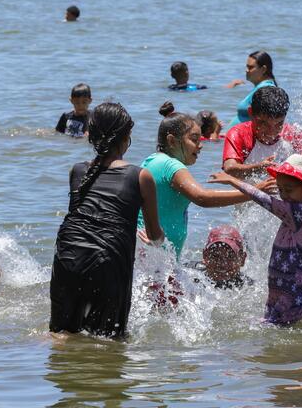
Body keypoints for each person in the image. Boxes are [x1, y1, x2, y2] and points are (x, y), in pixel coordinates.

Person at [50, 102, 164, 338]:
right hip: (109, 260)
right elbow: (154, 235)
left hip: (68, 255)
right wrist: (160, 240)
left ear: (91, 135)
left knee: (61, 335)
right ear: (126, 137)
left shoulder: (77, 170)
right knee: (109, 342)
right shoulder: (141, 176)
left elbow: (80, 219)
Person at [209, 154, 302, 325]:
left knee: (274, 333)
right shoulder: (295, 213)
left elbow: (266, 201)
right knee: (274, 332)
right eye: (281, 190)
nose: (284, 196)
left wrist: (233, 181)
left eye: (289, 190)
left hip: (291, 293)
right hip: (280, 289)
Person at [137, 112, 259, 260]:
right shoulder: (170, 165)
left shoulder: (152, 160)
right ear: (172, 141)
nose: (200, 145)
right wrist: (254, 193)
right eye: (194, 139)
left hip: (149, 252)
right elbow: (202, 198)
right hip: (154, 254)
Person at [222, 87, 302, 178]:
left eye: (279, 123)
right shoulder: (239, 134)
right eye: (264, 123)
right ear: (251, 113)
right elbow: (229, 169)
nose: (271, 132)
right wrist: (259, 168)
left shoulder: (292, 134)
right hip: (248, 187)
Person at [225, 51, 277, 128]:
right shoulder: (260, 88)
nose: (246, 70)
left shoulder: (265, 90)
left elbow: (264, 122)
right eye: (247, 67)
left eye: (250, 67)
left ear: (263, 69)